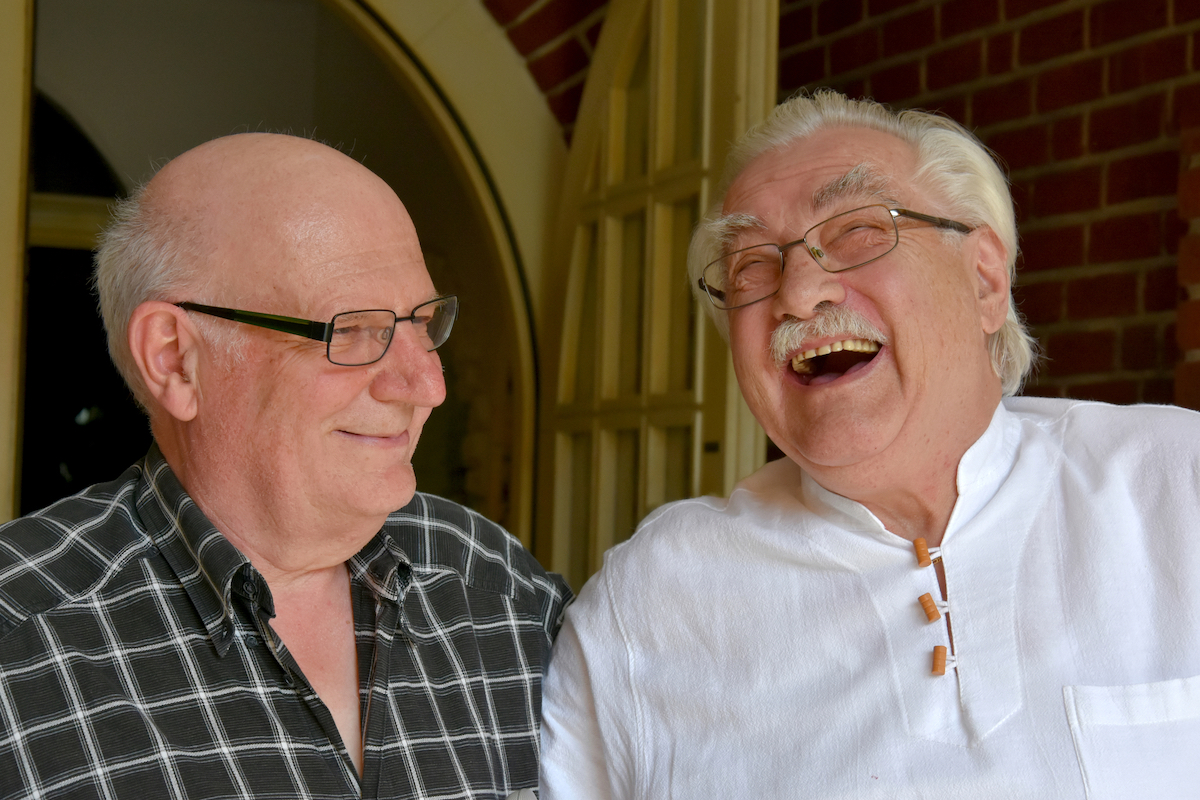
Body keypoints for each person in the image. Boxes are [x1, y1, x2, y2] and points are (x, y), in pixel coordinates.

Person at [539, 90, 1200, 798]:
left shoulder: (1177, 484)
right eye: (750, 265)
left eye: (858, 230)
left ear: (984, 280)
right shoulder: (650, 605)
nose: (798, 293)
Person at [0, 133, 570, 800]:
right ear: (175, 359)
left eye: (422, 323)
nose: (427, 386)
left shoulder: (501, 589)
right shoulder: (18, 642)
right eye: (351, 329)